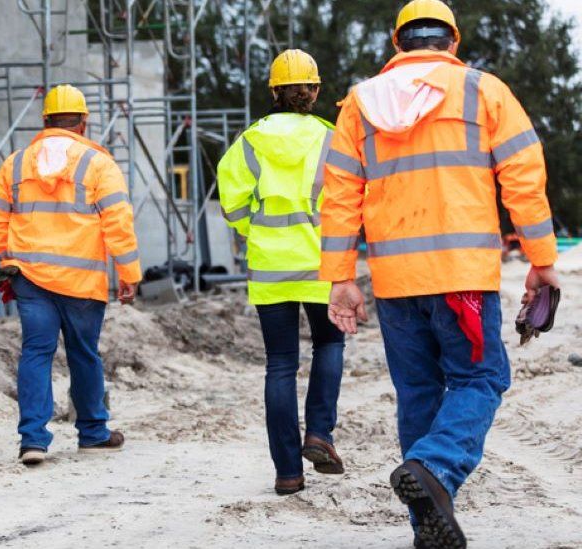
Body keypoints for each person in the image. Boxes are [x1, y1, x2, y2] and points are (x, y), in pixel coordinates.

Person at [320, 1, 559, 547]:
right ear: (453, 41)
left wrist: (341, 277)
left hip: (396, 281)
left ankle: (428, 525)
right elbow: (523, 177)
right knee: (481, 378)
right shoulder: (483, 90)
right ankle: (436, 465)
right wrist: (542, 261)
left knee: (419, 392)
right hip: (462, 276)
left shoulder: (359, 104)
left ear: (395, 41)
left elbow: (338, 197)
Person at [0, 84, 142, 466]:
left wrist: (13, 257)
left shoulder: (16, 163)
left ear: (46, 121)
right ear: (83, 123)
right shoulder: (98, 164)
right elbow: (118, 220)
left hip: (31, 279)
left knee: (35, 352)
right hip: (82, 282)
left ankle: (33, 441)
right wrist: (128, 272)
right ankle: (92, 433)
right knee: (84, 354)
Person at [217, 49, 346, 496]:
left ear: (273, 91)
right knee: (329, 344)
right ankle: (320, 434)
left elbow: (231, 203)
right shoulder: (332, 138)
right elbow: (348, 200)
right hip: (321, 263)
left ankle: (288, 473)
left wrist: (257, 230)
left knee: (280, 365)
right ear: (314, 92)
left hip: (271, 266)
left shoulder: (250, 141)